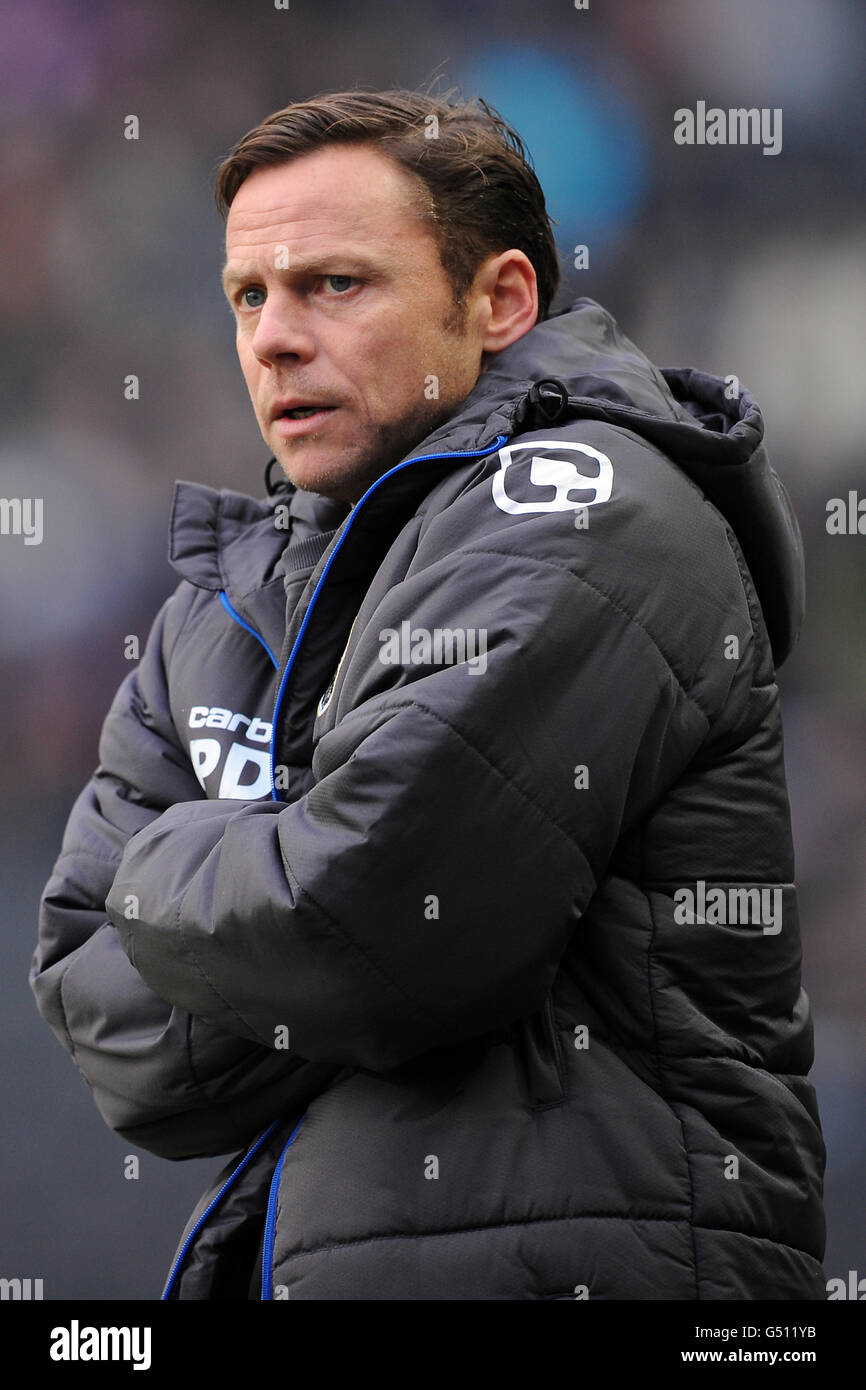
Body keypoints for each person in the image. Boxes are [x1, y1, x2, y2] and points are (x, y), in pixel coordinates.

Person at [31, 88, 826, 1300]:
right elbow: (111, 1026)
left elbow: (376, 922)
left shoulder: (588, 504)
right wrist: (280, 874)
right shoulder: (223, 603)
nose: (274, 338)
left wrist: (168, 866)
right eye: (250, 296)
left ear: (499, 300)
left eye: (336, 285)